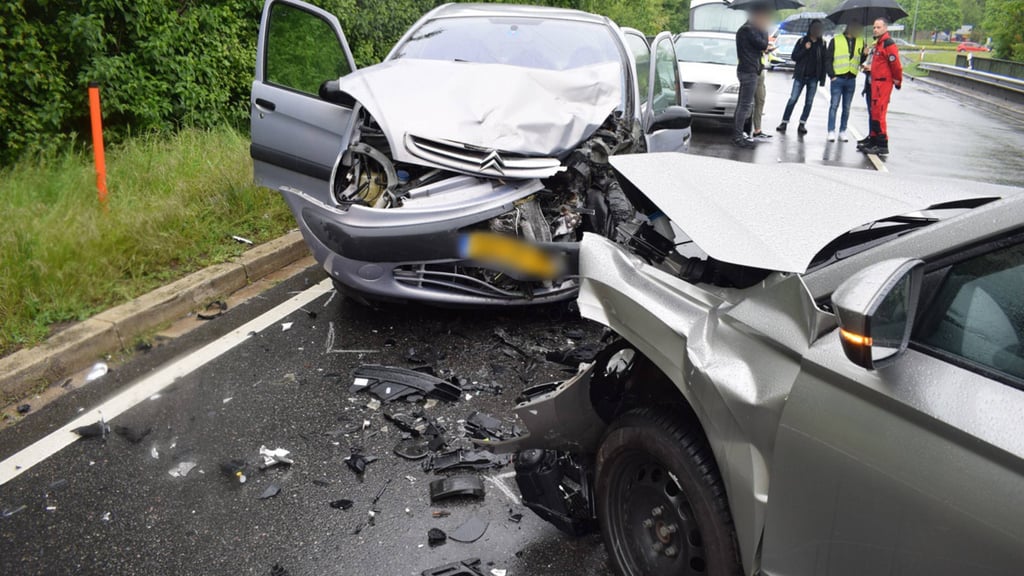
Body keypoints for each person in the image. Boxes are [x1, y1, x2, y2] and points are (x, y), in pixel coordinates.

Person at [777, 20, 827, 135]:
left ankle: (802, 123)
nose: (817, 31)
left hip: (814, 78)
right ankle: (784, 122)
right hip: (800, 76)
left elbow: (824, 62)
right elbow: (794, 57)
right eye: (815, 28)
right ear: (811, 29)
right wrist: (805, 49)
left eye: (819, 29)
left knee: (809, 102)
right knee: (793, 99)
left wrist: (822, 79)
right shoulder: (802, 41)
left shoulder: (822, 44)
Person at [863, 17, 902, 155]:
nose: (875, 29)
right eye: (874, 27)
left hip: (883, 83)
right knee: (874, 112)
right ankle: (873, 139)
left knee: (879, 113)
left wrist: (897, 81)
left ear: (885, 28)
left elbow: (896, 65)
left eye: (878, 27)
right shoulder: (878, 44)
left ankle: (882, 143)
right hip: (875, 82)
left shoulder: (888, 44)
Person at [733, 8, 771, 148]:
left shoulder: (746, 29)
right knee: (744, 105)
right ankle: (738, 136)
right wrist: (764, 29)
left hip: (747, 69)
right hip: (748, 71)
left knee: (742, 105)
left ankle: (738, 134)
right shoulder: (748, 30)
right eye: (763, 17)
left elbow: (759, 46)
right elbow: (763, 44)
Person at [826, 22, 866, 142]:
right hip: (838, 78)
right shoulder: (836, 40)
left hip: (851, 79)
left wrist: (865, 55)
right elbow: (828, 59)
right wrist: (832, 75)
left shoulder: (861, 41)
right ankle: (831, 130)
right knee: (834, 106)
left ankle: (843, 130)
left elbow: (859, 60)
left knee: (847, 107)